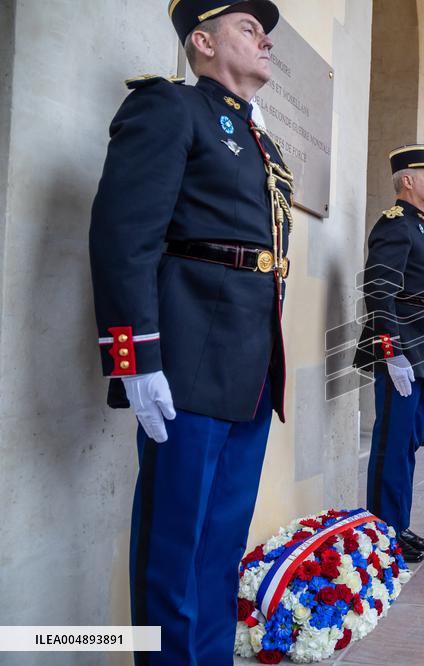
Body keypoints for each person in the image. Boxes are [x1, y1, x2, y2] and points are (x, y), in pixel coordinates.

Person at [89, 2, 290, 663]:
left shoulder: (262, 142)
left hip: (250, 365)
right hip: (187, 361)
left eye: (265, 33)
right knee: (174, 545)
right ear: (202, 42)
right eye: (247, 28)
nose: (265, 40)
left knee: (221, 545)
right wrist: (134, 356)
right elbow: (126, 235)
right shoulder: (171, 109)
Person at [353, 144, 424, 564]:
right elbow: (379, 290)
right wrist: (391, 351)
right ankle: (383, 533)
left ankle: (398, 525)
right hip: (405, 349)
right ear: (407, 180)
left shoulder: (422, 228)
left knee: (408, 443)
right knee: (392, 443)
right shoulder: (395, 225)